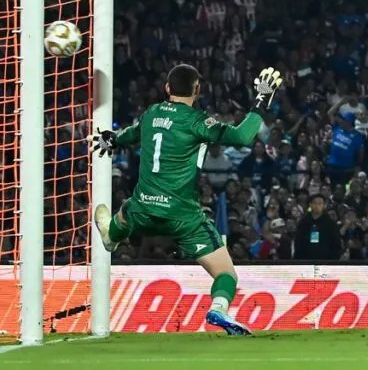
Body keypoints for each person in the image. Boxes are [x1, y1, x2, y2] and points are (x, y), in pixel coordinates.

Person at [88, 64, 282, 336]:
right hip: (183, 217)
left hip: (144, 208)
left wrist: (113, 139)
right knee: (226, 274)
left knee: (127, 209)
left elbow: (132, 133)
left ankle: (112, 235)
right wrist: (260, 102)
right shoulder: (197, 121)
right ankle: (218, 308)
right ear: (197, 90)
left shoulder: (152, 113)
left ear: (167, 88)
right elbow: (242, 136)